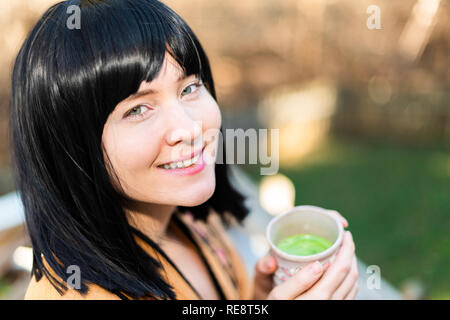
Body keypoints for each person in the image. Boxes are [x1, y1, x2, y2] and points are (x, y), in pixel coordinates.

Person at [10, 0, 358, 300]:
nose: (190, 128)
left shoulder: (198, 227)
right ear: (70, 146)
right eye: (137, 110)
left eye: (190, 87)